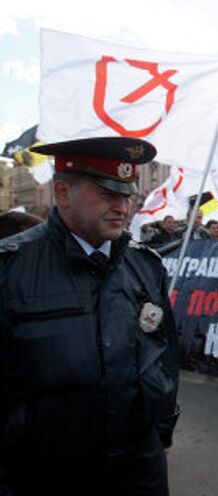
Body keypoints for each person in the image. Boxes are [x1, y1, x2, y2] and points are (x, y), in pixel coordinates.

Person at [0, 137, 179, 495]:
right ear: (63, 193)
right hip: (45, 470)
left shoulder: (145, 266)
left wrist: (161, 430)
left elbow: (164, 355)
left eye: (127, 195)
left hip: (138, 467)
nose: (123, 207)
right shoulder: (11, 268)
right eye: (108, 194)